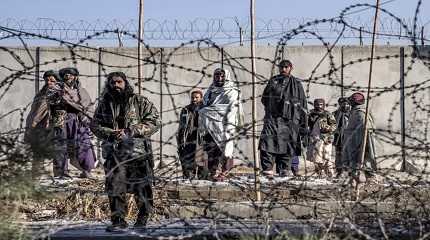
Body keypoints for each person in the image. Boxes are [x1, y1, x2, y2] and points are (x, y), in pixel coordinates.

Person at [91, 71, 160, 232]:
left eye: (119, 82)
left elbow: (155, 121)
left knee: (142, 186)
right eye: (113, 83)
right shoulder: (104, 104)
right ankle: (118, 221)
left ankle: (142, 219)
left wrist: (131, 131)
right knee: (115, 187)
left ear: (125, 83)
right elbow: (95, 126)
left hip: (137, 153)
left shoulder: (139, 101)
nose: (116, 85)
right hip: (114, 153)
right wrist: (111, 133)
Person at [259, 60, 308, 178]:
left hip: (289, 120)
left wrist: (302, 123)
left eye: (286, 67)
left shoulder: (296, 84)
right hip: (273, 118)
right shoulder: (273, 81)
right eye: (281, 67)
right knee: (268, 142)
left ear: (291, 68)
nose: (283, 69)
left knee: (287, 144)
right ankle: (268, 169)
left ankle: (284, 168)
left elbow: (302, 104)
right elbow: (264, 99)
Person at [50, 67, 97, 179]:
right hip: (61, 120)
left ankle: (86, 170)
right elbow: (50, 103)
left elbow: (88, 107)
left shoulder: (81, 91)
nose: (68, 76)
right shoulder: (56, 89)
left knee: (84, 145)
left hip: (78, 121)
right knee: (60, 146)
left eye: (71, 74)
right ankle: (61, 173)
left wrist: (85, 117)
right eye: (65, 74)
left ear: (75, 77)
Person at [199, 68, 244, 181]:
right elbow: (204, 105)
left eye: (222, 76)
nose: (219, 78)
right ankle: (213, 172)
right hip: (211, 126)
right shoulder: (210, 91)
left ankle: (224, 172)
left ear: (227, 77)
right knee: (211, 150)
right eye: (217, 75)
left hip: (226, 125)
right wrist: (207, 110)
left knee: (225, 150)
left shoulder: (232, 91)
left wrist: (210, 110)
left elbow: (230, 108)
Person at [25, 70, 62, 179]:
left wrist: (32, 125)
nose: (49, 82)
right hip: (39, 126)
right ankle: (37, 177)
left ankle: (37, 177)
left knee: (39, 153)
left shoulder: (52, 93)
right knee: (38, 153)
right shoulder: (43, 92)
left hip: (43, 127)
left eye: (52, 80)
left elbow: (40, 112)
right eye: (47, 80)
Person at [341, 92, 377, 183]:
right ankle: (355, 178)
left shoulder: (360, 113)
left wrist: (359, 145)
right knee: (354, 162)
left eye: (351, 102)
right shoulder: (354, 112)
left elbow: (364, 130)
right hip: (352, 142)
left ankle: (370, 178)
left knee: (363, 160)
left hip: (358, 142)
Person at [177, 88, 207, 179]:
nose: (194, 99)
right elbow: (181, 126)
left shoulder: (206, 109)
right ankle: (189, 178)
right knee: (188, 160)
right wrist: (180, 139)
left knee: (202, 160)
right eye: (192, 97)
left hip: (201, 139)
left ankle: (203, 179)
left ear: (201, 98)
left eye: (196, 98)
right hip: (189, 138)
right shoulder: (186, 110)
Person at [306, 99, 337, 178]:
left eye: (320, 104)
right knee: (316, 157)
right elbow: (307, 124)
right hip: (316, 138)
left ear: (323, 105)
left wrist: (327, 128)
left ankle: (330, 173)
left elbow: (334, 126)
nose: (319, 106)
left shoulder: (328, 114)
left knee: (326, 156)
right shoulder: (311, 114)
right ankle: (320, 172)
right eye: (317, 105)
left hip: (326, 139)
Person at [333, 97, 351, 177]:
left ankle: (349, 171)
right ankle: (339, 171)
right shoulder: (335, 114)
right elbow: (333, 125)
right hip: (340, 138)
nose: (345, 106)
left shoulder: (352, 114)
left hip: (350, 138)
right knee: (339, 155)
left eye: (347, 104)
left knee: (349, 154)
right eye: (343, 104)